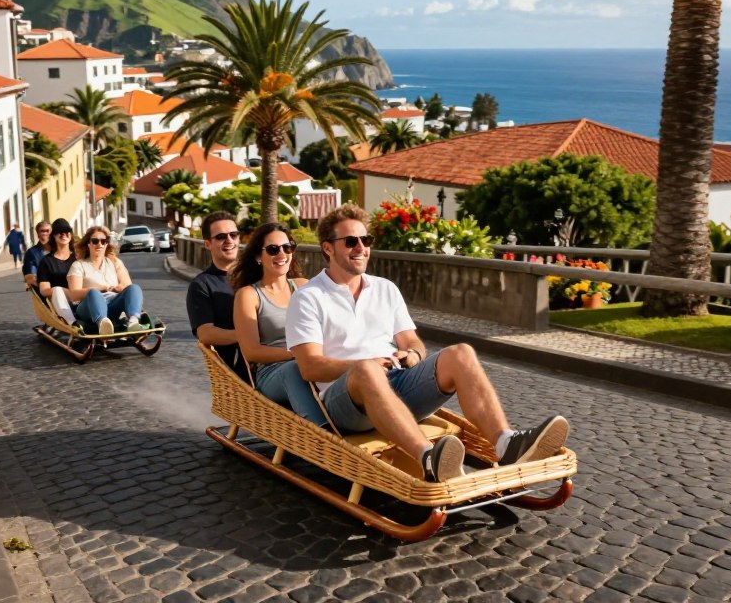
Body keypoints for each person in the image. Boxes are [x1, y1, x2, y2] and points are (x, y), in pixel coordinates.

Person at [286, 204, 570, 483]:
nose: (361, 247)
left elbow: (413, 342)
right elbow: (310, 367)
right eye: (350, 241)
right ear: (327, 248)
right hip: (345, 403)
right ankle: (429, 459)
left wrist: (412, 354)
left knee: (461, 353)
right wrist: (367, 365)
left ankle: (507, 445)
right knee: (366, 370)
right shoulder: (308, 298)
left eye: (366, 240)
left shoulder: (385, 288)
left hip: (397, 382)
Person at [231, 222, 326, 425]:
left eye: (287, 247)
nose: (282, 253)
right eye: (273, 249)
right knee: (294, 370)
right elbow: (251, 352)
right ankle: (323, 435)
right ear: (258, 257)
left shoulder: (304, 285)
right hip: (272, 372)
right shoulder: (248, 295)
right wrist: (299, 353)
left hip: (312, 359)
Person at [186, 211, 248, 381]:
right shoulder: (201, 285)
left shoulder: (257, 276)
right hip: (237, 374)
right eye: (221, 237)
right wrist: (247, 337)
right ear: (207, 244)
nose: (229, 241)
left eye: (233, 235)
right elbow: (205, 333)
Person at [68, 226, 145, 335]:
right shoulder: (78, 265)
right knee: (93, 292)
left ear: (106, 244)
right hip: (88, 306)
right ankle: (103, 324)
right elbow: (74, 294)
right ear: (88, 244)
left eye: (103, 241)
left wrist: (119, 287)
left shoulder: (114, 262)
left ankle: (133, 321)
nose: (99, 244)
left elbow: (127, 284)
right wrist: (101, 288)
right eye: (95, 241)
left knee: (134, 288)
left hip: (112, 304)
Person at [36, 218, 77, 324]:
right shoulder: (46, 262)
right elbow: (44, 290)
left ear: (71, 235)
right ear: (53, 236)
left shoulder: (78, 258)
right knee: (57, 290)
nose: (63, 234)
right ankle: (73, 324)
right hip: (59, 302)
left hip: (79, 298)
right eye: (59, 232)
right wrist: (62, 291)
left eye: (67, 231)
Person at [22, 221, 52, 288]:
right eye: (42, 231)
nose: (45, 233)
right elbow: (31, 276)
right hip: (42, 289)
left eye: (47, 231)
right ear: (38, 233)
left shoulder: (58, 250)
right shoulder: (31, 253)